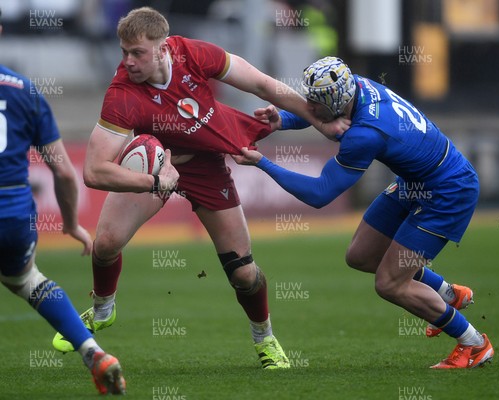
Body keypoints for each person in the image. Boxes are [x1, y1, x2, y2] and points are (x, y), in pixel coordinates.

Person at [51, 7, 346, 369]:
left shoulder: (194, 53)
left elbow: (262, 85)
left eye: (137, 52)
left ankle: (265, 339)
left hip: (206, 166)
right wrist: (156, 181)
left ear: (164, 49)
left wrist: (319, 122)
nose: (128, 61)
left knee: (243, 272)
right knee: (106, 244)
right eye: (124, 51)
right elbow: (94, 171)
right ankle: (102, 310)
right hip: (158, 166)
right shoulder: (121, 94)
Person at [233, 57, 494, 369]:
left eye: (315, 102)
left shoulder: (365, 134)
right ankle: (446, 292)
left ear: (336, 100)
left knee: (390, 283)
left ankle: (474, 343)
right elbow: (322, 114)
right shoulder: (354, 83)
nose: (310, 107)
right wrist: (284, 121)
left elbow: (320, 194)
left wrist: (263, 162)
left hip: (448, 192)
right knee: (361, 255)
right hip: (417, 181)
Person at [0, 9, 126, 395]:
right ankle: (92, 351)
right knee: (26, 280)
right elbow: (65, 173)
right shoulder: (26, 91)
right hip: (14, 213)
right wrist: (71, 224)